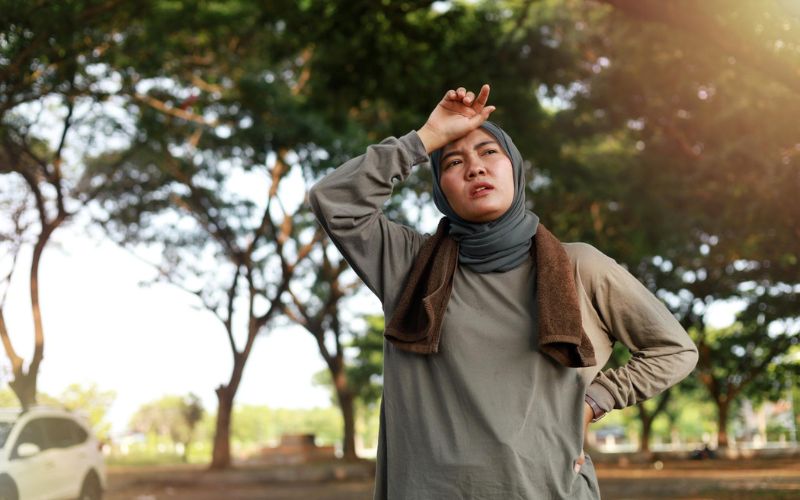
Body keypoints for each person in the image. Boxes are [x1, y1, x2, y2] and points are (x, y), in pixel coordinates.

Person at [309, 84, 698, 499]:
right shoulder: (409, 265)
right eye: (453, 161)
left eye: (489, 153)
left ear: (515, 168)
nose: (475, 168)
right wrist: (425, 139)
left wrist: (596, 401)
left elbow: (674, 350)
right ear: (440, 189)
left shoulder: (578, 267)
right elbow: (334, 201)